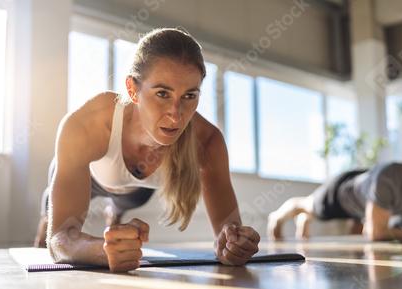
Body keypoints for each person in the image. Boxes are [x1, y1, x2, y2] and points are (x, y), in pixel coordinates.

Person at [40, 28, 260, 272]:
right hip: (92, 177)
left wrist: (234, 246)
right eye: (162, 93)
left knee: (125, 204)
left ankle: (115, 216)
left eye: (189, 95)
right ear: (133, 89)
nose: (176, 115)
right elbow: (59, 240)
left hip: (136, 191)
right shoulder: (89, 124)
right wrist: (101, 250)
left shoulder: (208, 141)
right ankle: (48, 219)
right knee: (48, 227)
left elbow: (229, 234)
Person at [268, 133, 402, 243]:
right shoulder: (390, 178)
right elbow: (376, 233)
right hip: (342, 193)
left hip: (364, 193)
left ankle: (306, 218)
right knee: (308, 205)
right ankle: (276, 217)